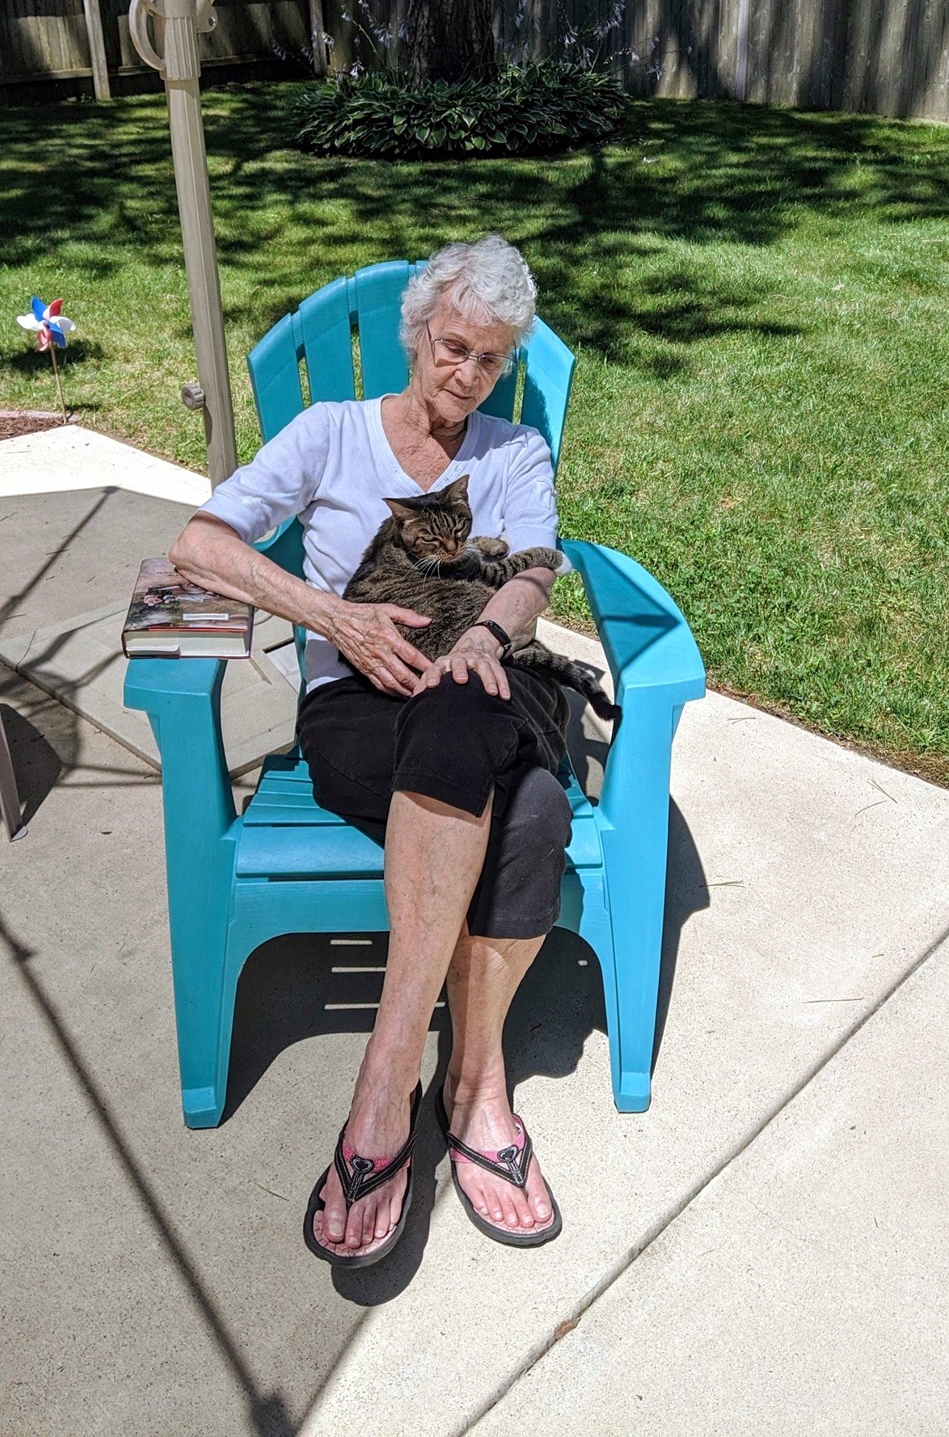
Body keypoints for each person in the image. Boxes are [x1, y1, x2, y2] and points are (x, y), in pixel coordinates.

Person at [169, 235, 571, 1265]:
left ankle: (405, 1085)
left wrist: (485, 632)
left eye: (488, 359)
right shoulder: (329, 432)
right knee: (530, 810)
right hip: (356, 701)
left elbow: (531, 571)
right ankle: (456, 1090)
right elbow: (200, 543)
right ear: (415, 333)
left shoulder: (513, 451)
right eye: (451, 347)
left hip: (483, 678)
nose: (465, 374)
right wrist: (330, 616)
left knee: (479, 732)